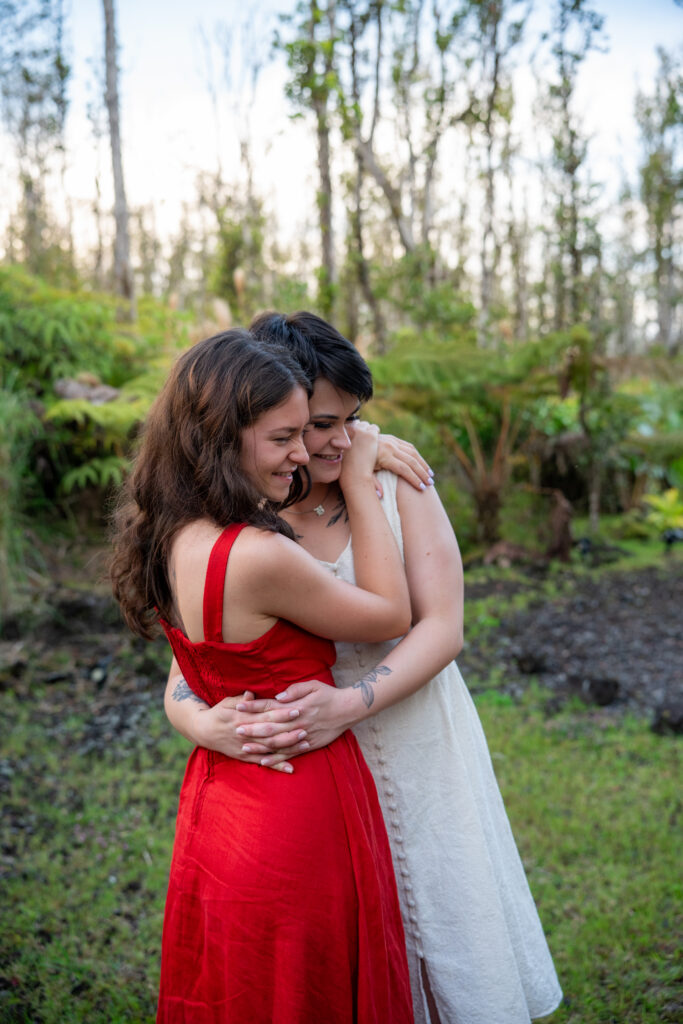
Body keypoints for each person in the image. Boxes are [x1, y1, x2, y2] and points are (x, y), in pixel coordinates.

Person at [165, 312, 564, 1024]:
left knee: (443, 927)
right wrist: (202, 722)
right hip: (310, 778)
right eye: (316, 423)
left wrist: (349, 705)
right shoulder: (247, 507)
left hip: (410, 740)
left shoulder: (399, 482)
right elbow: (190, 664)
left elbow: (440, 627)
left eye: (352, 420)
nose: (340, 440)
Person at [110, 329, 415, 1023]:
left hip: (220, 797)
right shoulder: (255, 555)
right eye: (282, 439)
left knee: (238, 986)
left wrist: (192, 717)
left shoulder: (171, 530)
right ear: (220, 438)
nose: (302, 454)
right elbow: (389, 612)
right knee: (302, 990)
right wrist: (362, 483)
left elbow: (193, 667)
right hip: (295, 800)